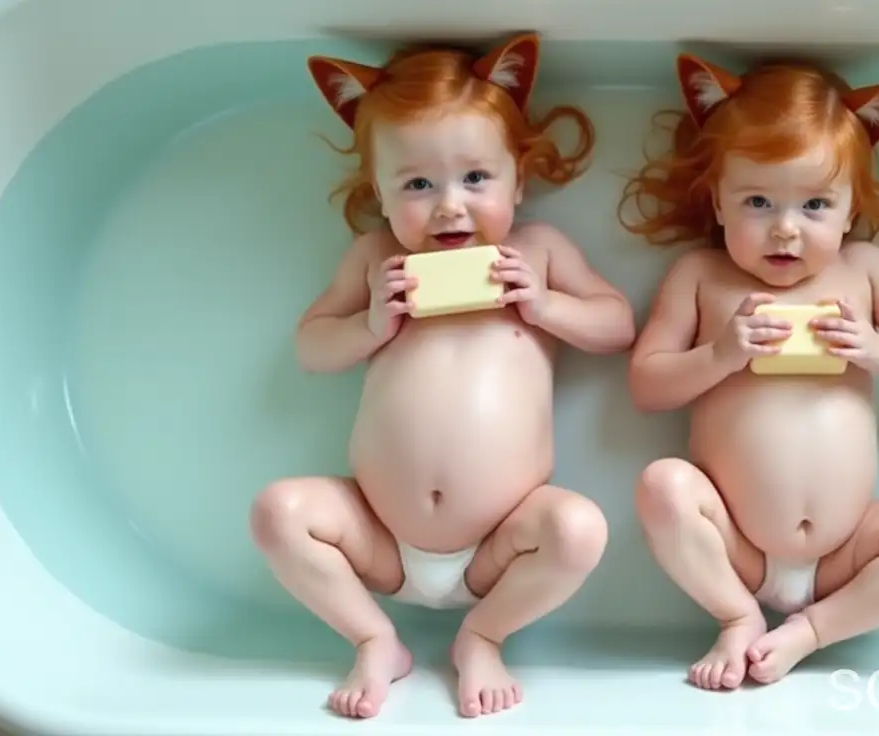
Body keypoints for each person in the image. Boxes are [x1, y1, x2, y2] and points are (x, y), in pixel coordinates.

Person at [249, 32, 635, 719]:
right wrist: (370, 324)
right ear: (380, 192)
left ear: (519, 177)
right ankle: (373, 637)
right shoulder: (375, 260)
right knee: (278, 512)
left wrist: (545, 306)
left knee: (577, 530)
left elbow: (616, 326)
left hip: (500, 545)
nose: (449, 206)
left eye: (475, 179)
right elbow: (311, 346)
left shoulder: (537, 253)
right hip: (380, 539)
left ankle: (483, 635)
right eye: (418, 185)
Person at [619, 53, 879, 690]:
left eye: (815, 205)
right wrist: (721, 354)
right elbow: (646, 384)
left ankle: (811, 631)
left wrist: (874, 348)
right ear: (719, 205)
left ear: (849, 209)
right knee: (663, 487)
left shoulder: (863, 271)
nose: (785, 230)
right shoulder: (702, 277)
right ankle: (736, 616)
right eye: (757, 201)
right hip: (738, 546)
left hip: (847, 554)